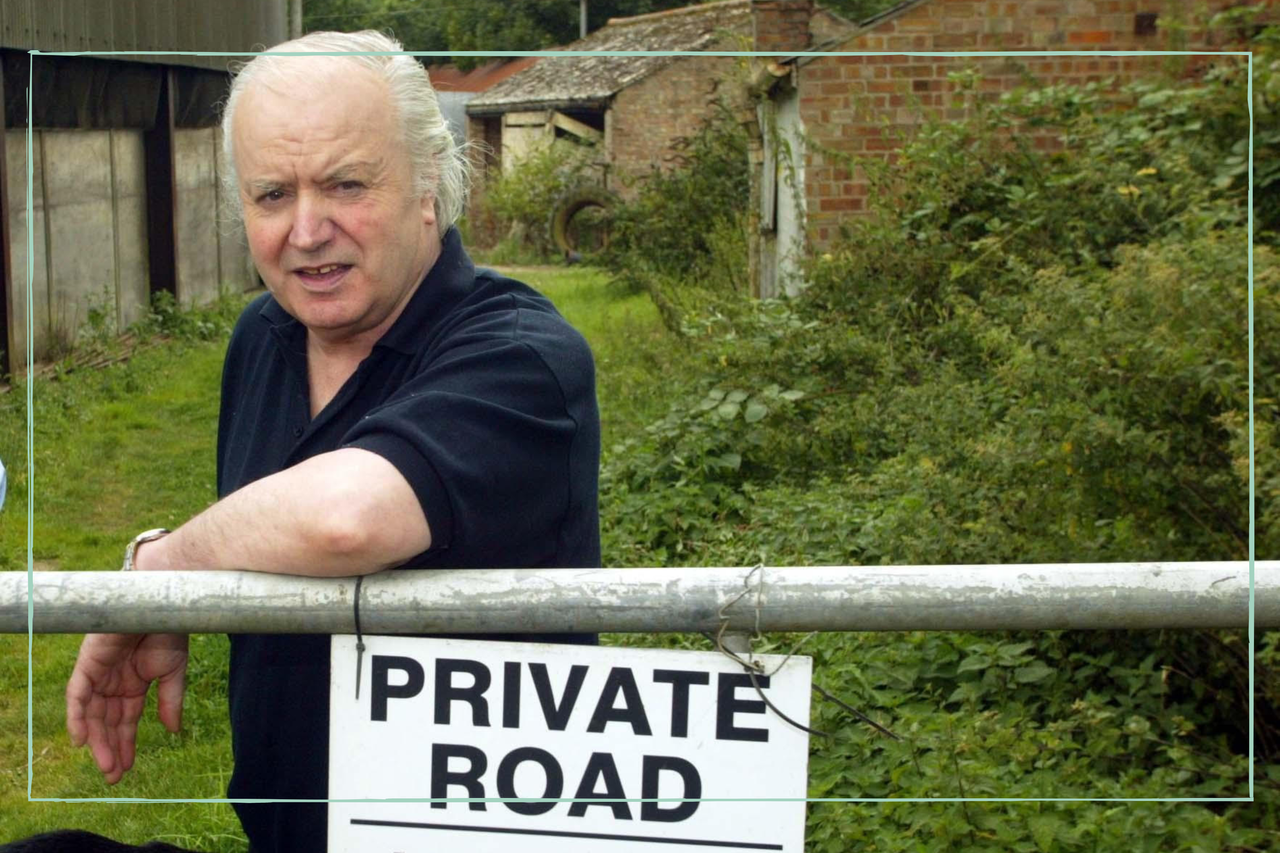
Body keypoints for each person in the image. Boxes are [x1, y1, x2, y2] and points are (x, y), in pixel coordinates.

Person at [64, 30, 600, 853]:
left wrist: (161, 575)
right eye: (272, 194)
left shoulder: (520, 353)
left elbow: (347, 517)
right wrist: (175, 564)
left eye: (346, 184)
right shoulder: (264, 337)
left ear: (429, 184)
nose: (306, 231)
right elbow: (266, 526)